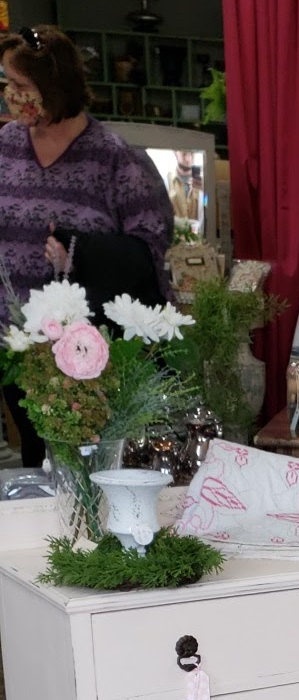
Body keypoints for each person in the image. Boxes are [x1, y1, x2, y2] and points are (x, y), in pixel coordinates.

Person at [0, 23, 174, 465]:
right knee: (36, 461)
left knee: (86, 465)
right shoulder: (4, 147)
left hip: (87, 354)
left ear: (54, 86)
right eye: (7, 82)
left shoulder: (115, 159)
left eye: (21, 85)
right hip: (14, 348)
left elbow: (150, 251)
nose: (10, 95)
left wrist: (79, 252)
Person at [168, 149, 203, 228]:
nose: (188, 159)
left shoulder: (203, 181)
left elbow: (206, 205)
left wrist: (205, 192)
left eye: (192, 153)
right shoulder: (167, 180)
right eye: (184, 154)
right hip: (175, 233)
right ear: (175, 152)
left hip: (197, 233)